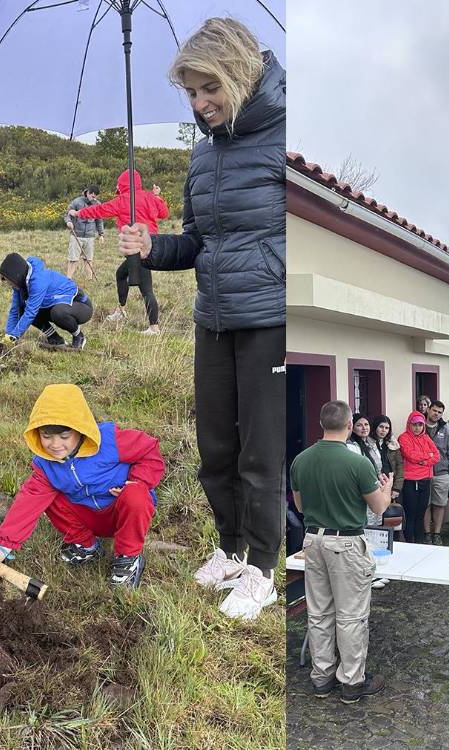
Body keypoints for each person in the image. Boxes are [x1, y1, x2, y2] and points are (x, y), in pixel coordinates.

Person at [118, 17, 285, 620]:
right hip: (213, 314)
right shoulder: (202, 153)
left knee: (260, 453)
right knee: (216, 445)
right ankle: (232, 547)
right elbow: (194, 243)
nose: (199, 102)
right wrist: (150, 246)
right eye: (190, 92)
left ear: (237, 73)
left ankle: (264, 568)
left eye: (208, 87)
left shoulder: (284, 136)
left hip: (269, 317)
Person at [0, 384, 164, 590]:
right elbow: (27, 505)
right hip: (87, 515)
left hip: (120, 510)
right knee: (46, 497)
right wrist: (1, 551)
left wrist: (137, 481)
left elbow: (149, 450)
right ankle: (86, 546)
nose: (55, 445)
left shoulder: (111, 441)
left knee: (136, 495)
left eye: (64, 436)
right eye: (46, 436)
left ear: (80, 429)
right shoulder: (46, 465)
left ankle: (127, 558)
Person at [291, 400, 392, 703]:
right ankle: (351, 682)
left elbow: (299, 506)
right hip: (347, 541)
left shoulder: (301, 460)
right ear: (350, 425)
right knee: (351, 616)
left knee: (319, 613)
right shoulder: (358, 463)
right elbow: (379, 507)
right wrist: (386, 488)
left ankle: (321, 678)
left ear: (322, 424)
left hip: (312, 540)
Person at [71, 170, 169, 335]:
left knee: (146, 289)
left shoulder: (123, 200)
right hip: (152, 245)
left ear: (122, 185)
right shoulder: (150, 197)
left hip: (139, 247)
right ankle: (121, 311)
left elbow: (99, 210)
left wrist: (78, 213)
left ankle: (154, 327)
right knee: (121, 274)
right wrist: (157, 197)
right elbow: (164, 214)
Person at [0, 253, 93, 350]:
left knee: (58, 312)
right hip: (55, 305)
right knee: (22, 308)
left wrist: (15, 336)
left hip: (81, 306)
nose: (9, 285)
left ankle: (79, 336)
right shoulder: (19, 283)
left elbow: (31, 313)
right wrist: (8, 335)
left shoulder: (38, 281)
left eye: (9, 282)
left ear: (16, 275)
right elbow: (14, 310)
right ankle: (55, 338)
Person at [397, 411, 439, 544]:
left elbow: (437, 456)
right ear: (409, 424)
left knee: (421, 515)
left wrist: (424, 461)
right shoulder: (403, 438)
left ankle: (419, 543)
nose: (417, 428)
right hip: (411, 481)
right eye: (414, 425)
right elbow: (410, 455)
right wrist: (428, 455)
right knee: (411, 515)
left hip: (425, 481)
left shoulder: (426, 438)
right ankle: (410, 542)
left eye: (420, 425)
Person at [424, 402, 449, 545]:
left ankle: (437, 533)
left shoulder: (445, 428)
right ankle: (426, 534)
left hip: (441, 473)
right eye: (434, 410)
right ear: (429, 410)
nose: (436, 414)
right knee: (426, 504)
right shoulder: (420, 425)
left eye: (440, 412)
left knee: (439, 504)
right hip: (423, 472)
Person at [345, 413, 385, 526]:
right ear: (352, 427)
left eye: (366, 424)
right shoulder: (351, 446)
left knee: (375, 526)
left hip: (376, 487)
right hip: (363, 490)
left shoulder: (372, 443)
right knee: (366, 525)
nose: (364, 428)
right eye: (359, 425)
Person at [63, 185, 104, 281]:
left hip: (90, 236)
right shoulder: (77, 201)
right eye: (92, 196)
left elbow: (99, 220)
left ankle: (90, 280)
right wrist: (69, 222)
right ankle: (68, 279)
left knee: (89, 259)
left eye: (95, 197)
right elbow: (67, 214)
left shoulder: (97, 204)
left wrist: (101, 234)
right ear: (88, 193)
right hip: (76, 234)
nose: (94, 198)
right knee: (73, 259)